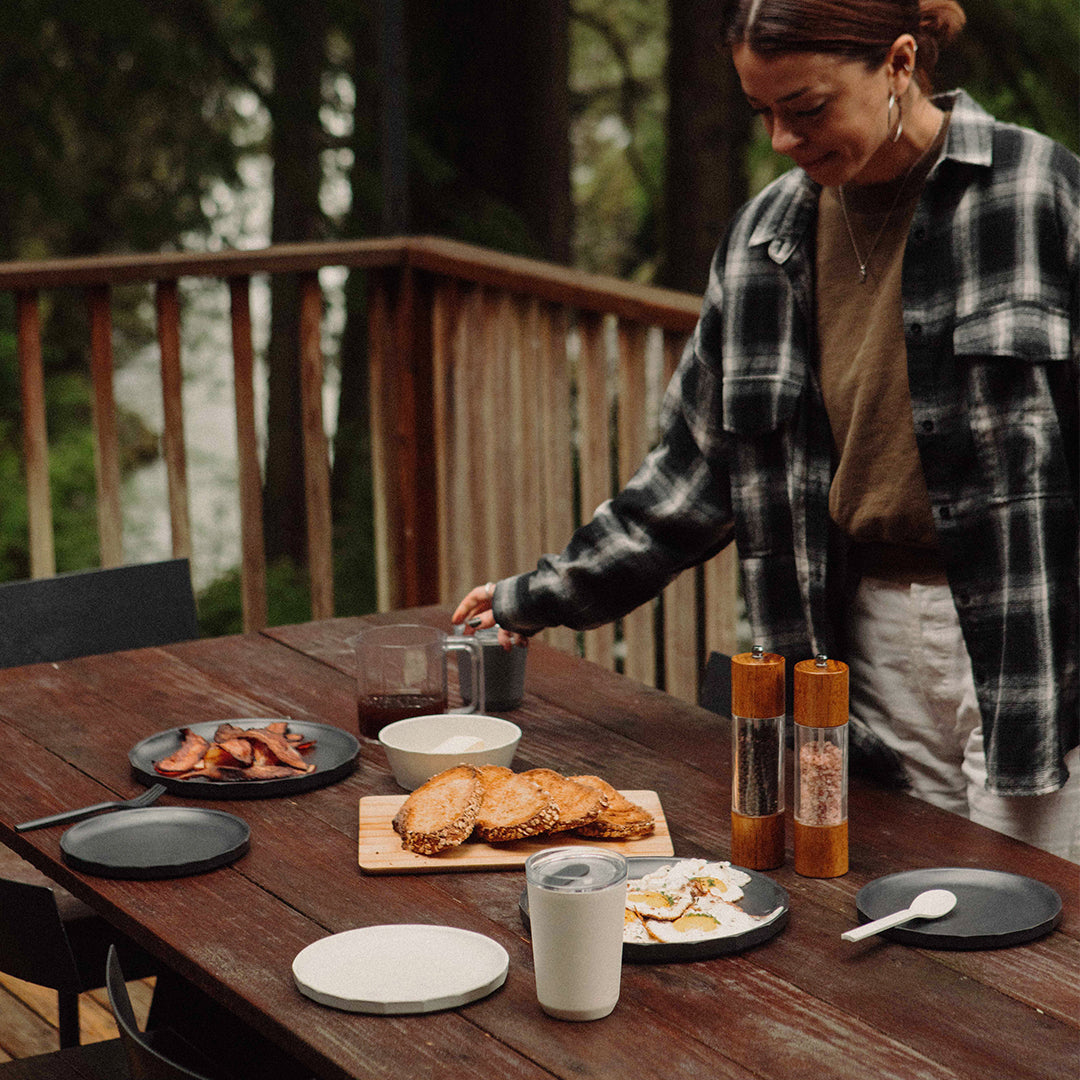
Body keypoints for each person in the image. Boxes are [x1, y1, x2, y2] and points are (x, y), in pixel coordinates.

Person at [453, 0, 1079, 861]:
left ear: (899, 64)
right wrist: (537, 595)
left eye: (808, 108)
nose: (783, 139)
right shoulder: (763, 240)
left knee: (1025, 933)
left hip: (1030, 636)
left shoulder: (1040, 191)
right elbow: (691, 478)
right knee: (895, 914)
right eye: (764, 113)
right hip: (854, 656)